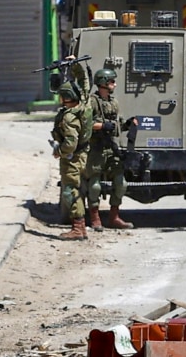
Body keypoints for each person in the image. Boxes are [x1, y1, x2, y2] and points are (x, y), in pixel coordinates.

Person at [74, 64, 135, 230]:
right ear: (103, 83)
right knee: (94, 185)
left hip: (111, 147)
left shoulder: (113, 102)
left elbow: (117, 124)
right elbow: (85, 123)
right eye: (112, 81)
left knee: (121, 183)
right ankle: (95, 218)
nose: (114, 84)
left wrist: (128, 124)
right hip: (95, 148)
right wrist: (101, 126)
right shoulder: (92, 102)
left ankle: (114, 216)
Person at [51, 79, 92, 240]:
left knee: (69, 190)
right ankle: (80, 228)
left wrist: (59, 151)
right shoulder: (83, 108)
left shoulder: (69, 117)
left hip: (72, 158)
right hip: (81, 157)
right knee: (75, 189)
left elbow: (70, 142)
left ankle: (77, 227)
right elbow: (85, 86)